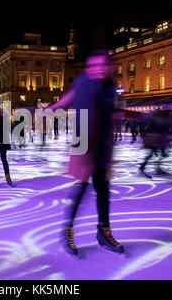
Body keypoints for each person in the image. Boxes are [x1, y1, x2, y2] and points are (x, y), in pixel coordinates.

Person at [49, 50, 124, 256]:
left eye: (103, 65)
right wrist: (48, 110)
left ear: (110, 67)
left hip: (102, 145)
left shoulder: (109, 87)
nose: (99, 69)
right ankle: (68, 231)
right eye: (94, 65)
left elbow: (111, 113)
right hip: (84, 143)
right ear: (89, 69)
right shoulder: (83, 84)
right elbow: (66, 101)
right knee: (80, 189)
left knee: (103, 191)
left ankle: (103, 232)